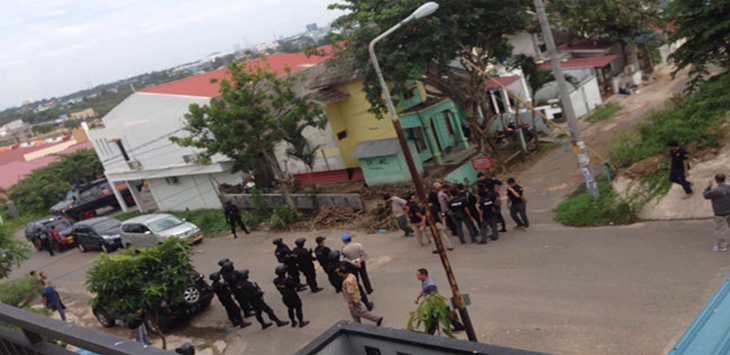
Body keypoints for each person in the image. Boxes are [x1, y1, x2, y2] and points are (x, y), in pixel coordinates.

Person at [413, 268, 464, 334]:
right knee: (446, 315)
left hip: (434, 303)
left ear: (423, 275)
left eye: (418, 275)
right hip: (432, 303)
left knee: (433, 318)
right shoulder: (425, 281)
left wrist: (433, 306)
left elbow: (434, 296)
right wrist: (417, 298)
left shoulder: (431, 285)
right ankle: (459, 327)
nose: (417, 277)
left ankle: (429, 333)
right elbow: (424, 290)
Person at [704, 173, 730, 252]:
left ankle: (722, 246)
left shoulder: (714, 191)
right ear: (724, 179)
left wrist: (708, 187)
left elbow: (705, 195)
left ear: (716, 181)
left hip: (720, 213)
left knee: (720, 230)